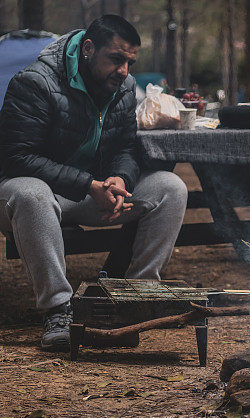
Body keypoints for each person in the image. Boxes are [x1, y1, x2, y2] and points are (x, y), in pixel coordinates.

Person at [0, 15, 188, 351]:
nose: (124, 71)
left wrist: (120, 178)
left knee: (170, 188)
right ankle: (58, 310)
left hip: (91, 193)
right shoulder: (34, 82)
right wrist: (89, 185)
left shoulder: (123, 87)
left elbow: (126, 146)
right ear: (88, 48)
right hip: (30, 196)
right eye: (116, 59)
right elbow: (17, 158)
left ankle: (136, 299)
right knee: (32, 194)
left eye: (130, 62)